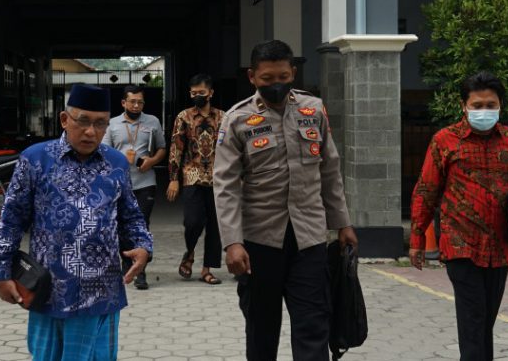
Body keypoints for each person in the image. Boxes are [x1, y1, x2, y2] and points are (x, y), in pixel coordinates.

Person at [214, 39, 358, 361]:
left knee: (313, 325)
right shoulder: (236, 119)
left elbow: (330, 169)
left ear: (293, 72)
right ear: (252, 77)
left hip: (309, 239)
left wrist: (343, 223)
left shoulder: (313, 109)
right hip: (259, 241)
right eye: (267, 79)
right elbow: (225, 185)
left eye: (282, 77)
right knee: (262, 329)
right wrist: (232, 242)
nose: (275, 85)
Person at [0, 84, 153, 361]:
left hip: (103, 291)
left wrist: (142, 246)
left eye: (100, 124)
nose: (91, 131)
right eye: (83, 121)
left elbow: (131, 216)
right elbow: (11, 220)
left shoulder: (116, 164)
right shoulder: (35, 159)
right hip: (49, 291)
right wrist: (1, 272)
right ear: (65, 120)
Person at [409, 72, 508, 361]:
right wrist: (417, 238)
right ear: (463, 106)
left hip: (499, 247)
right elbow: (426, 190)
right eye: (477, 105)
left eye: (490, 105)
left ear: (501, 105)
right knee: (473, 321)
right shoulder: (445, 141)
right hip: (460, 245)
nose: (484, 111)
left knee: (485, 322)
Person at [102, 85, 167, 290]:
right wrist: (121, 159)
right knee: (121, 225)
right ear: (124, 103)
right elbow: (104, 153)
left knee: (142, 224)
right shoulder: (112, 125)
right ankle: (126, 262)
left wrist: (152, 161)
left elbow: (162, 149)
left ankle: (141, 271)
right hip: (120, 184)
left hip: (145, 181)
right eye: (133, 102)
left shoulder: (152, 122)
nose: (136, 105)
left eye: (140, 102)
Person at [167, 74, 225, 285]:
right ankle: (189, 252)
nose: (197, 96)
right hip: (192, 175)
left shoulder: (222, 117)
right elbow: (176, 148)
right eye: (193, 93)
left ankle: (207, 269)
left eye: (201, 93)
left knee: (215, 226)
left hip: (218, 179)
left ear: (210, 93)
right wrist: (174, 179)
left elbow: (231, 149)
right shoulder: (184, 117)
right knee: (192, 221)